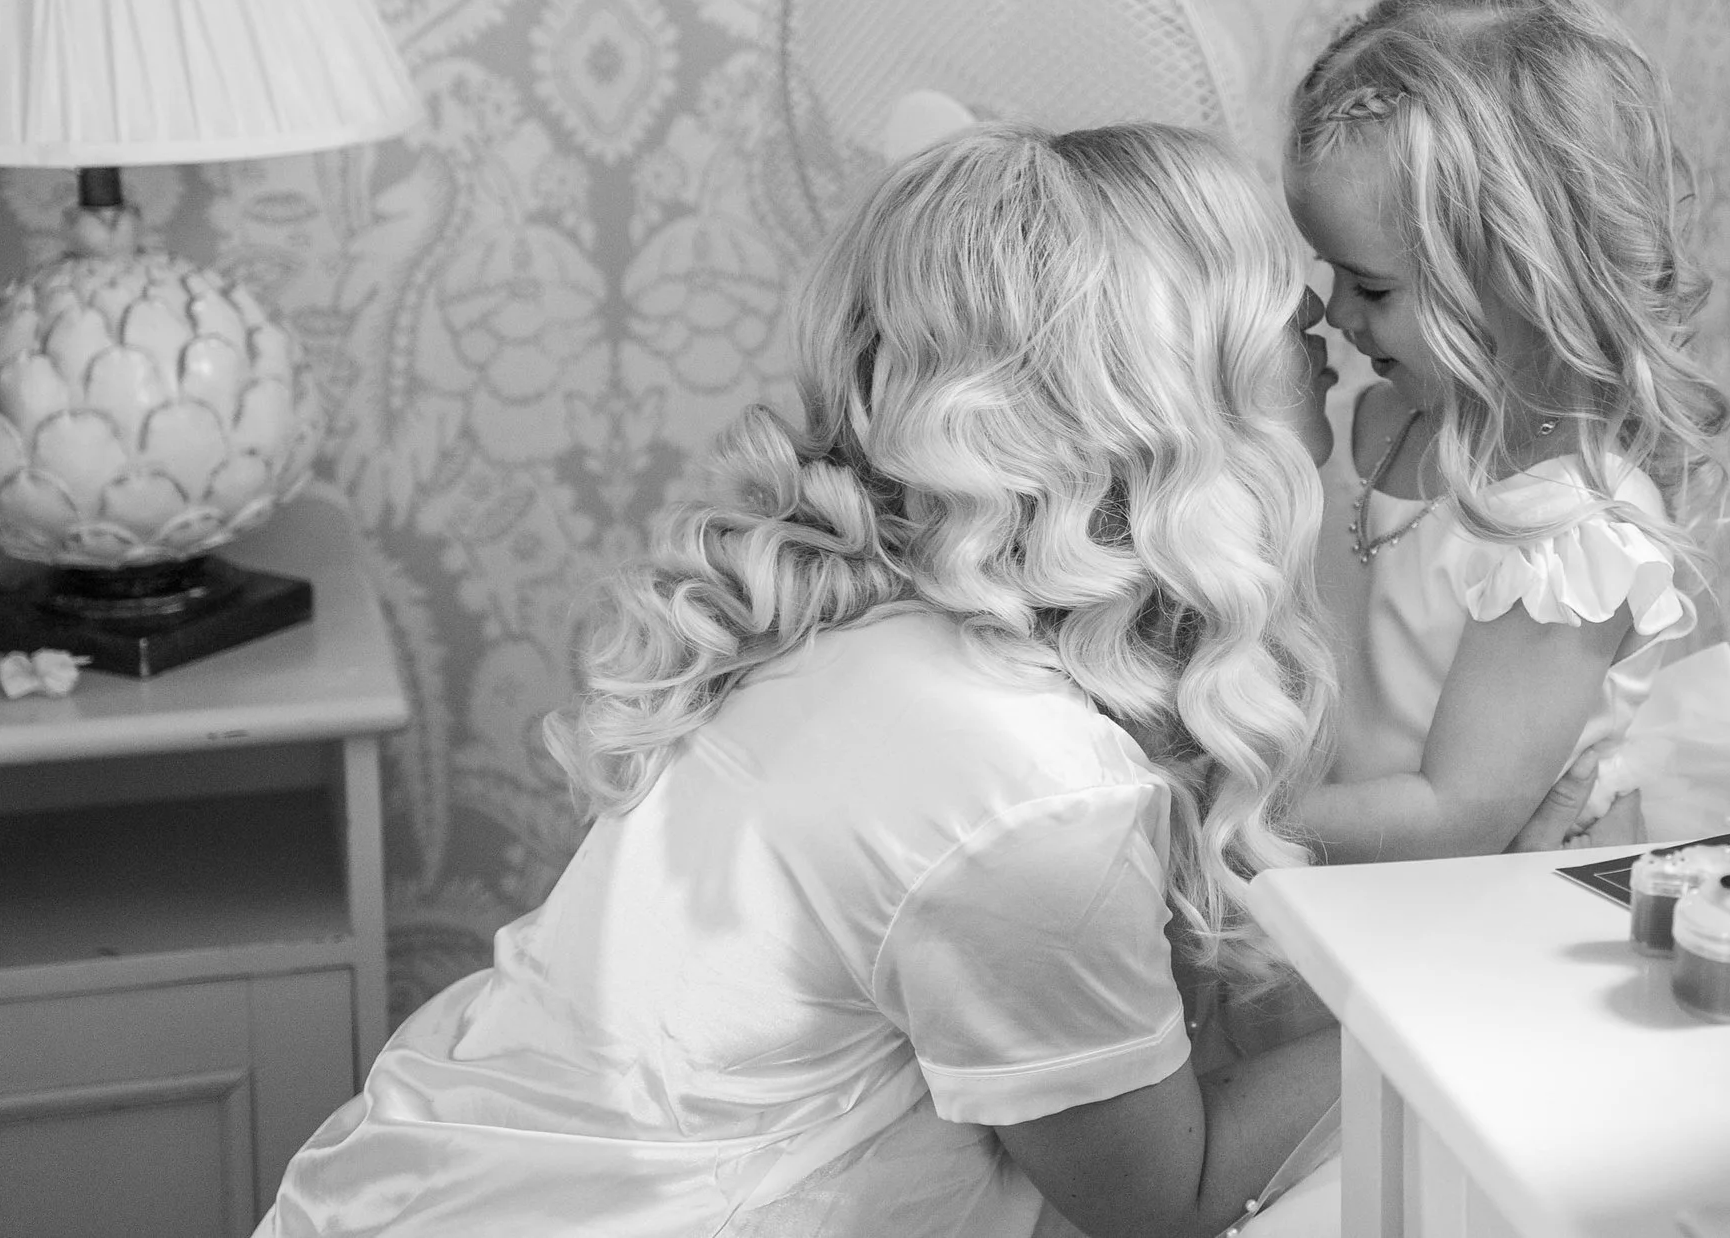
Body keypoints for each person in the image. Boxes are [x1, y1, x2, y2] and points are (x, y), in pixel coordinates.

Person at [256, 123, 1353, 1238]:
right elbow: (1171, 1195)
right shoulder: (1029, 781)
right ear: (1161, 394)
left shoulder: (875, 622)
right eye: (1274, 297)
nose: (1320, 319)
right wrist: (1467, 1019)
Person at [1283, 0, 1730, 865]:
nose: (1335, 314)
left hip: (1460, 919)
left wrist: (1223, 818)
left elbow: (1453, 817)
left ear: (1517, 275)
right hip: (1338, 887)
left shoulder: (1569, 531)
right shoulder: (1368, 420)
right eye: (1326, 273)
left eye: (1371, 285)